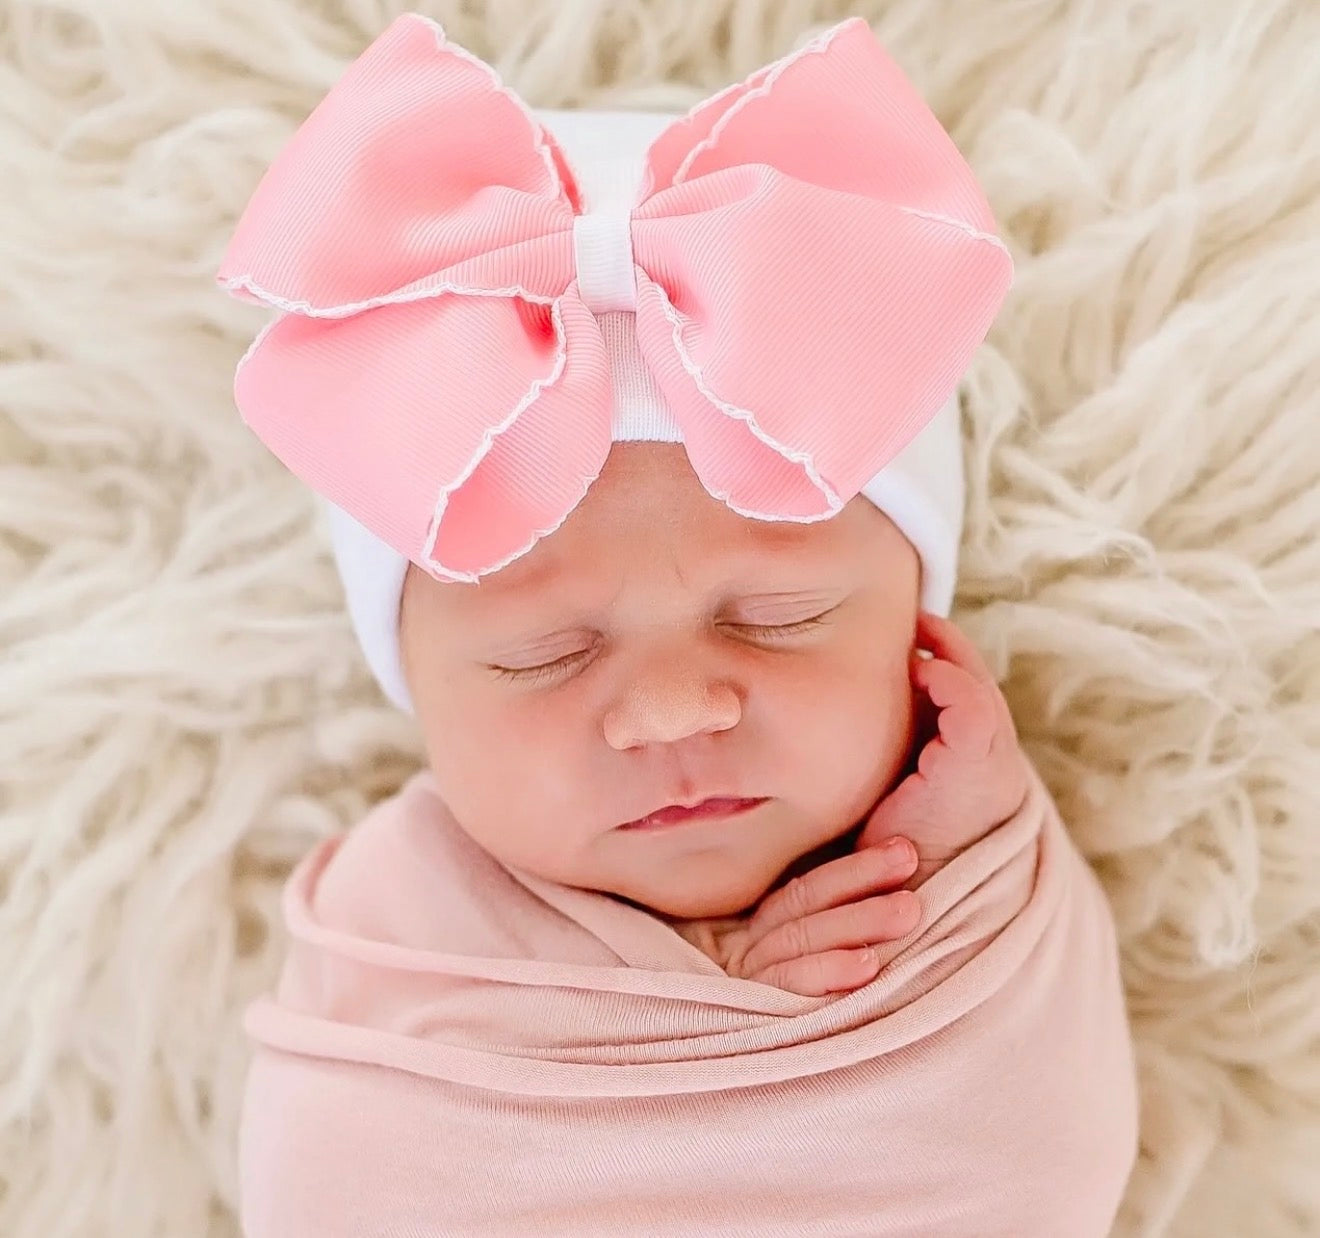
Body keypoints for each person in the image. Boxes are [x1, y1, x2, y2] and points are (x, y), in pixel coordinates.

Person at [220, 14, 1139, 1235]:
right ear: (416, 682)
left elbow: (1034, 1148)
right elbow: (349, 1181)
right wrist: (720, 993)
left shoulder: (972, 866)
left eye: (778, 616)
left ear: (913, 625)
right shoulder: (402, 930)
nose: (671, 711)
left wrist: (956, 860)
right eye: (542, 652)